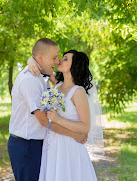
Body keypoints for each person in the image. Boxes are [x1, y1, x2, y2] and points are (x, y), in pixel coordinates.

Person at [7, 39, 87, 181]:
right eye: (54, 57)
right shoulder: (29, 80)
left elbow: (64, 87)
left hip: (43, 145)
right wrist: (75, 134)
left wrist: (31, 60)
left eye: (60, 58)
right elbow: (44, 120)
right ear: (40, 58)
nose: (57, 61)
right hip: (27, 145)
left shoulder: (47, 79)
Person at [29, 50, 101, 181]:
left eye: (66, 59)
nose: (60, 60)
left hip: (69, 147)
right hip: (52, 146)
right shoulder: (58, 85)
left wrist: (58, 119)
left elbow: (85, 127)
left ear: (75, 65)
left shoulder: (78, 92)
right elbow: (40, 62)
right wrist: (30, 60)